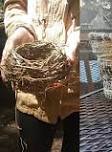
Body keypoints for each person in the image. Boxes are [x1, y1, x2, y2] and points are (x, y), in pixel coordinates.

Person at [1, 0, 80, 151]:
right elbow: (14, 4)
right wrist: (21, 29)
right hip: (32, 94)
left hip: (79, 88)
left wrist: (79, 35)